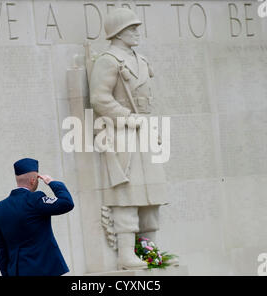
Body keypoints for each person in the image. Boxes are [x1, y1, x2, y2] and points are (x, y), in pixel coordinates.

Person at [89, 8, 177, 270]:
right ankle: (126, 253)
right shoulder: (109, 60)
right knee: (127, 193)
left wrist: (149, 126)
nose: (137, 32)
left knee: (152, 194)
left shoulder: (139, 58)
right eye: (131, 28)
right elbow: (99, 98)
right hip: (123, 132)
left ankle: (149, 252)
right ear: (118, 32)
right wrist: (129, 117)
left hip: (145, 130)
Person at [0, 158, 74, 276]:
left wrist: (7, 273)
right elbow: (67, 203)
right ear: (32, 180)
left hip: (16, 272)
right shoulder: (35, 200)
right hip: (43, 270)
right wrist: (52, 182)